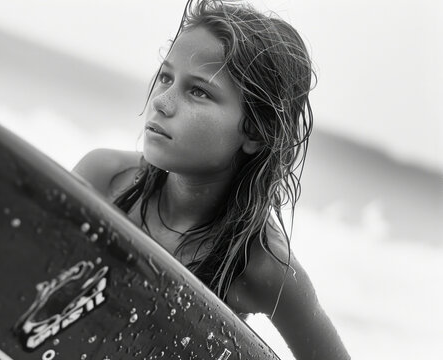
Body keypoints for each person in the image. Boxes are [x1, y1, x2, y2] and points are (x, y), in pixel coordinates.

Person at [73, 1, 349, 359]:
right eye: (166, 77)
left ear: (253, 131)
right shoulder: (105, 179)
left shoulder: (263, 266)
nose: (162, 102)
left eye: (198, 91)